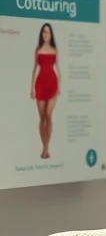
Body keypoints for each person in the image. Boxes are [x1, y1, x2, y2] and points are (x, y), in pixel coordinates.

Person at [30, 22, 59, 159]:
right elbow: (35, 68)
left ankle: (46, 148)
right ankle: (45, 148)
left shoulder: (54, 49)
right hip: (40, 84)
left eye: (48, 32)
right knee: (42, 118)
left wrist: (60, 86)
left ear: (51, 34)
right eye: (44, 32)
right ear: (41, 34)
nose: (46, 34)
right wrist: (31, 88)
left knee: (48, 116)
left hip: (53, 83)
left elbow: (58, 69)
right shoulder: (37, 49)